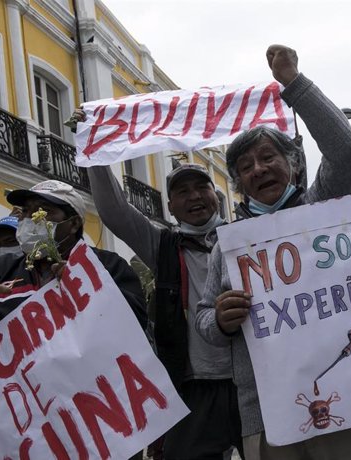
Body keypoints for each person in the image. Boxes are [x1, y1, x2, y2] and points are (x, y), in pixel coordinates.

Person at [195, 44, 351, 460]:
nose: (258, 170)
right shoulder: (226, 246)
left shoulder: (322, 207)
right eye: (245, 167)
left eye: (268, 157)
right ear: (238, 184)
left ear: (295, 166)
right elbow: (204, 320)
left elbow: (345, 151)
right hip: (269, 416)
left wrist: (293, 82)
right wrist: (220, 319)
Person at [84, 161, 243, 459]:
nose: (194, 196)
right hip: (193, 387)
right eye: (183, 191)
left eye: (201, 187)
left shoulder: (245, 236)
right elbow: (114, 212)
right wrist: (96, 154)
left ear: (215, 196)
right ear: (170, 207)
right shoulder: (163, 246)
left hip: (251, 381)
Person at [0, 179, 146, 339]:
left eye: (44, 211)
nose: (31, 218)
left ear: (73, 224)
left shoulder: (108, 265)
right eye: (27, 211)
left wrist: (88, 286)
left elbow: (135, 322)